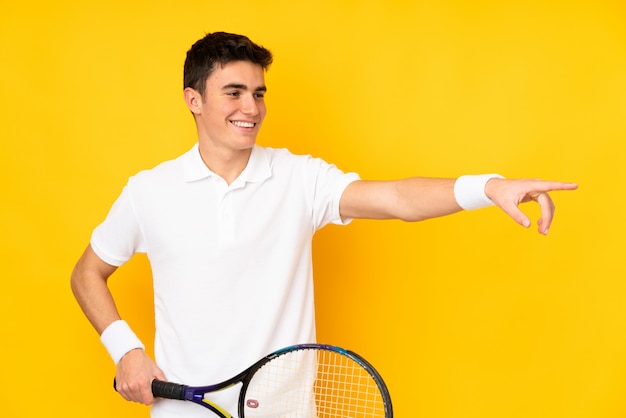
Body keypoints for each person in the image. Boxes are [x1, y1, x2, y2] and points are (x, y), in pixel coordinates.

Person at [70, 32, 578, 418]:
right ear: (194, 100)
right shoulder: (149, 191)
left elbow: (396, 197)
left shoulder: (298, 178)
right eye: (234, 92)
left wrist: (487, 187)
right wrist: (126, 350)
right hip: (182, 410)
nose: (252, 108)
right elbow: (86, 273)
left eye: (259, 93)